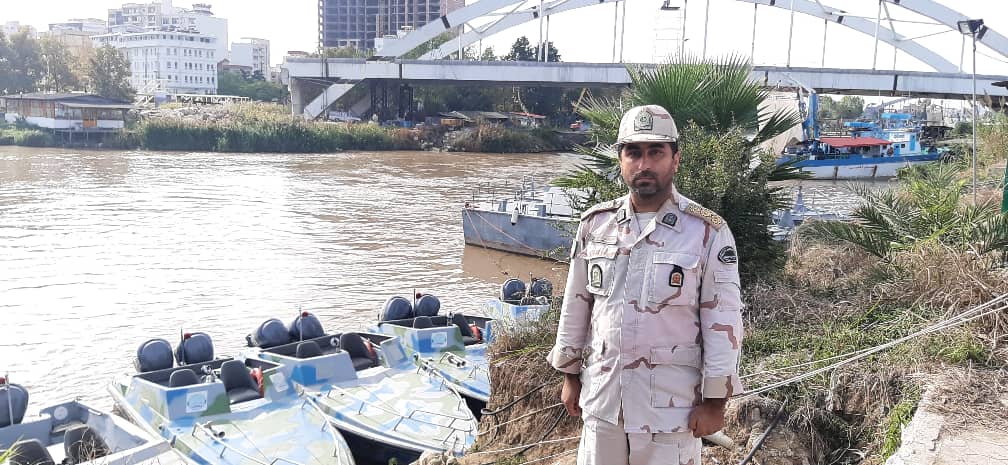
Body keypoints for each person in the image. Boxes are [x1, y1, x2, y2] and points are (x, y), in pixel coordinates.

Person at [547, 105, 744, 465]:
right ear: (621, 160)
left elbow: (724, 321)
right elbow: (577, 304)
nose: (644, 164)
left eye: (656, 152)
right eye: (634, 152)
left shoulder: (706, 232)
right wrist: (570, 375)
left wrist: (716, 401)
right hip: (604, 402)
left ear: (675, 159)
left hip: (670, 411)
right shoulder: (596, 225)